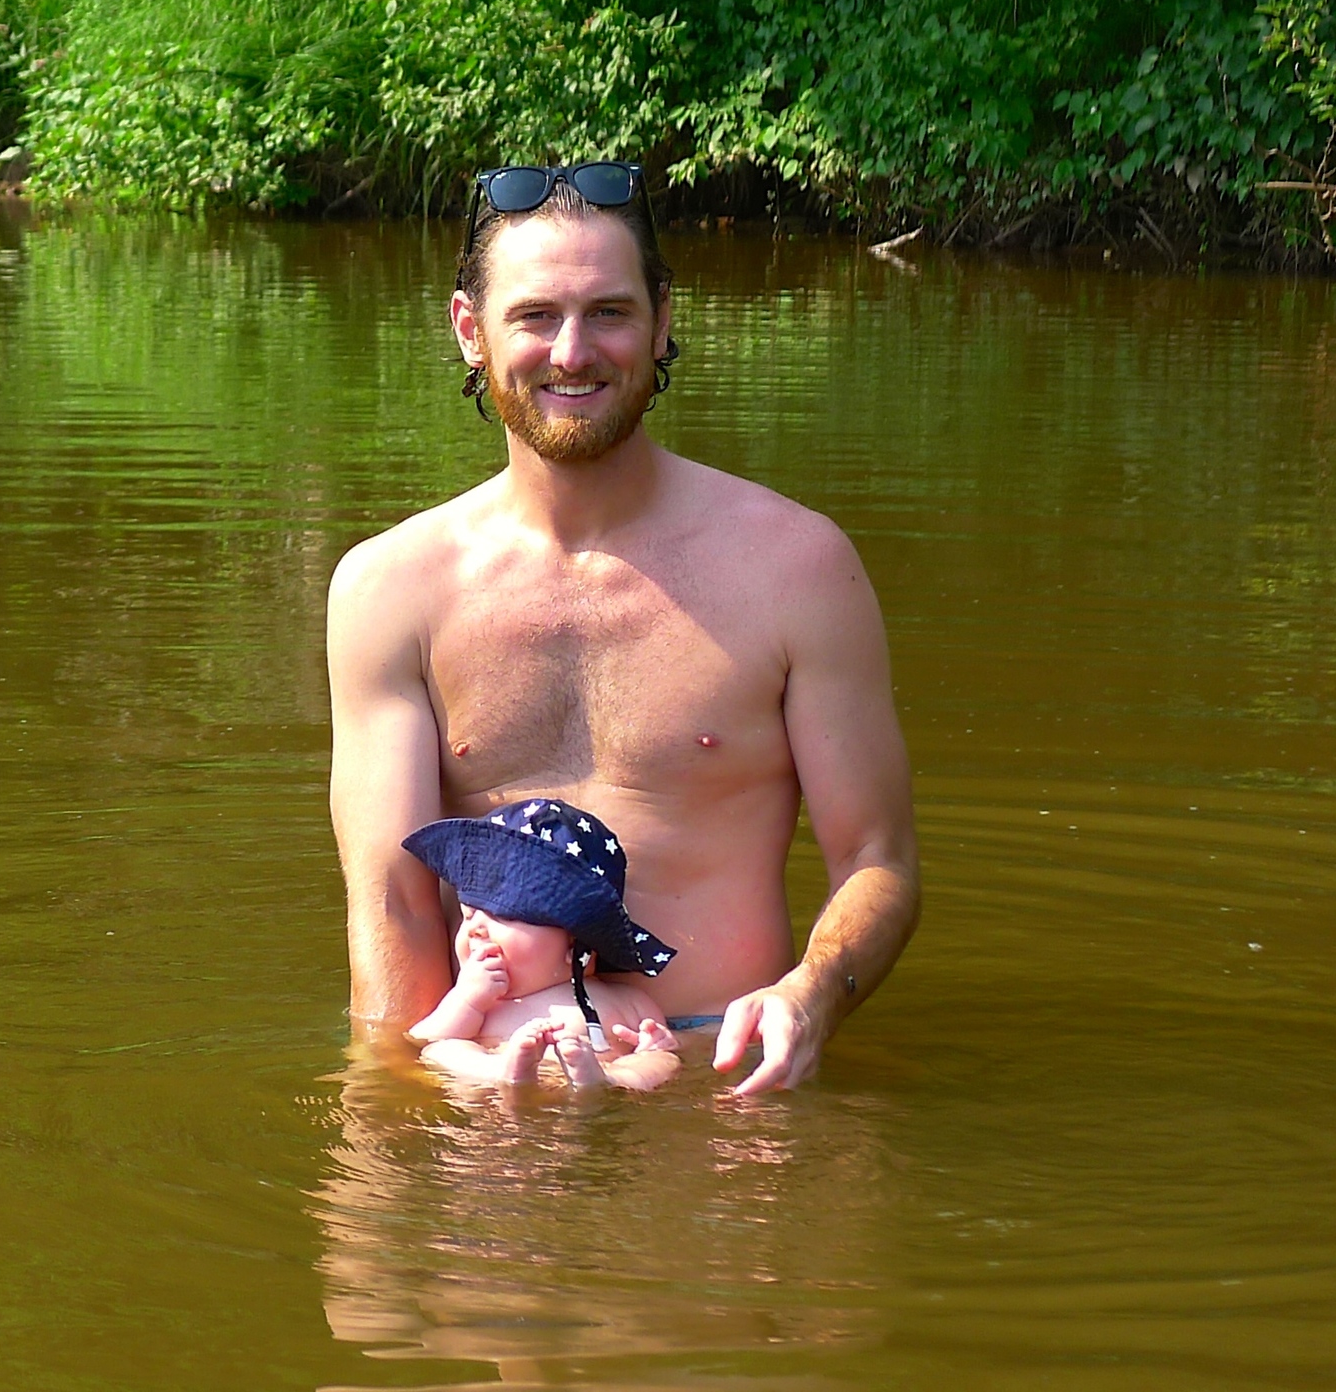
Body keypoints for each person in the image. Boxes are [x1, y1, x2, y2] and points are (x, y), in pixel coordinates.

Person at [327, 160, 919, 1095]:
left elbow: (876, 860)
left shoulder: (799, 567)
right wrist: (411, 1104)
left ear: (663, 320)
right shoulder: (390, 587)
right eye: (533, 316)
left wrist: (812, 994)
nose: (572, 351)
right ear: (469, 331)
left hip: (719, 1077)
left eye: (608, 311)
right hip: (482, 1076)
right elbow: (393, 900)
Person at [400, 796, 682, 1090]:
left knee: (660, 1062)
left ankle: (607, 1080)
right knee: (443, 1050)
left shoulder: (630, 1001)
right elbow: (422, 1040)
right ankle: (505, 1073)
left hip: (601, 1078)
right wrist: (466, 1000)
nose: (475, 930)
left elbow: (666, 1052)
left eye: (505, 916)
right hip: (495, 1084)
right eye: (468, 915)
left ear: (576, 943)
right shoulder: (481, 1005)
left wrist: (656, 1046)